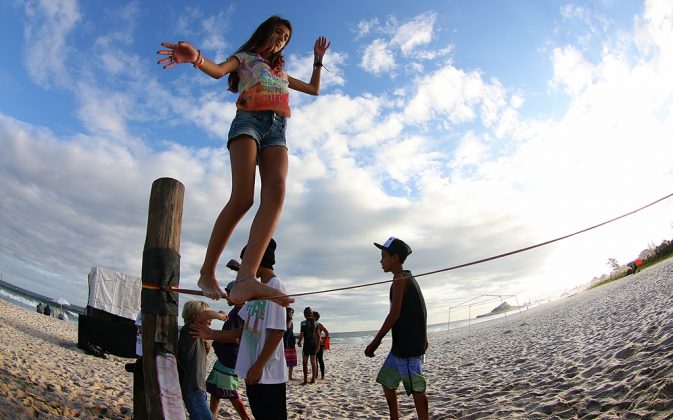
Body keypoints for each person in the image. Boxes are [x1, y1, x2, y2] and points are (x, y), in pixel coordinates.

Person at [157, 16, 330, 307]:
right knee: (243, 198)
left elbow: (314, 90)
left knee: (277, 192)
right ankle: (206, 272)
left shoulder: (281, 73)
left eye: (286, 36)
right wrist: (196, 58)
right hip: (249, 122)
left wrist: (317, 61)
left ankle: (246, 279)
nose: (281, 38)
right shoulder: (246, 58)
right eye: (277, 32)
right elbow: (217, 71)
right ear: (264, 32)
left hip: (277, 129)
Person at [191, 239, 288, 419]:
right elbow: (246, 331)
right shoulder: (254, 292)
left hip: (268, 373)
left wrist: (258, 367)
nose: (244, 268)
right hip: (254, 371)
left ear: (258, 261)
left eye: (246, 263)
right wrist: (212, 334)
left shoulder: (275, 286)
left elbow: (277, 332)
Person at [365, 237, 429, 420]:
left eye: (383, 256)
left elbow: (394, 314)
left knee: (416, 387)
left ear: (395, 258)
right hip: (400, 346)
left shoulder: (401, 279)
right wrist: (424, 337)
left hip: (408, 347)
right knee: (387, 380)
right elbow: (422, 309)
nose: (380, 261)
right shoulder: (405, 276)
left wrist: (375, 342)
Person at [205, 280, 250, 420]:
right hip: (226, 357)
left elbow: (235, 338)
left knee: (230, 392)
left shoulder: (238, 312)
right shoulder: (239, 310)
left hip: (230, 358)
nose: (226, 296)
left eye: (229, 293)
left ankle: (245, 418)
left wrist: (213, 336)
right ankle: (212, 415)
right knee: (215, 389)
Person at [178, 300, 227, 420]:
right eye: (208, 315)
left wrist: (206, 351)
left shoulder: (198, 336)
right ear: (195, 317)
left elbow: (195, 361)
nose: (210, 320)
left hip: (199, 388)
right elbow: (205, 315)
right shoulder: (189, 329)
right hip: (192, 388)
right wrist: (221, 316)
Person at [297, 306, 319, 385]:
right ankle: (313, 379)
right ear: (312, 314)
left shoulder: (303, 323)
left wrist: (299, 341)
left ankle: (305, 380)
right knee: (313, 362)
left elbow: (302, 334)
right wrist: (318, 345)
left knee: (305, 362)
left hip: (307, 343)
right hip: (313, 343)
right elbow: (318, 336)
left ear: (304, 314)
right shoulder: (316, 323)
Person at [313, 311, 330, 380]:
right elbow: (326, 333)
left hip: (318, 344)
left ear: (316, 317)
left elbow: (327, 332)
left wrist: (324, 341)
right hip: (314, 344)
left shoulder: (319, 325)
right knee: (315, 360)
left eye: (312, 315)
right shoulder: (314, 324)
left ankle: (322, 375)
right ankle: (316, 375)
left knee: (319, 360)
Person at [283, 307, 298, 380]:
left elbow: (289, 333)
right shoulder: (286, 321)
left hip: (290, 342)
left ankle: (290, 376)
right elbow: (287, 328)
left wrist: (295, 337)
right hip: (286, 343)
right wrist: (291, 319)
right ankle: (286, 375)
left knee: (291, 361)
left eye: (291, 312)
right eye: (289, 312)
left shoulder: (288, 321)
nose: (290, 314)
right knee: (285, 360)